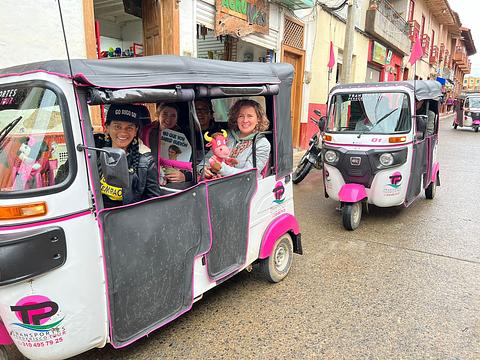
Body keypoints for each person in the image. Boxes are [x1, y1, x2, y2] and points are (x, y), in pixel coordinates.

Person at [56, 104, 162, 208]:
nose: (123, 132)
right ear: (107, 128)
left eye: (129, 128)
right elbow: (64, 177)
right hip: (92, 214)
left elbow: (154, 201)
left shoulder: (145, 160)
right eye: (117, 126)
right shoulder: (92, 148)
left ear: (135, 131)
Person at [200, 99, 271, 178]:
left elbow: (249, 174)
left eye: (250, 116)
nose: (245, 120)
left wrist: (221, 168)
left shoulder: (262, 144)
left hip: (246, 187)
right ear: (236, 118)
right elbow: (206, 160)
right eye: (241, 116)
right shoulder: (226, 136)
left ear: (258, 119)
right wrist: (203, 169)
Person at [141, 102, 192, 184]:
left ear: (177, 118)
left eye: (173, 115)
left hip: (175, 181)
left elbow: (193, 164)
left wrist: (185, 176)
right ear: (158, 115)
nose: (169, 119)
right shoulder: (147, 132)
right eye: (165, 114)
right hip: (150, 178)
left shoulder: (184, 136)